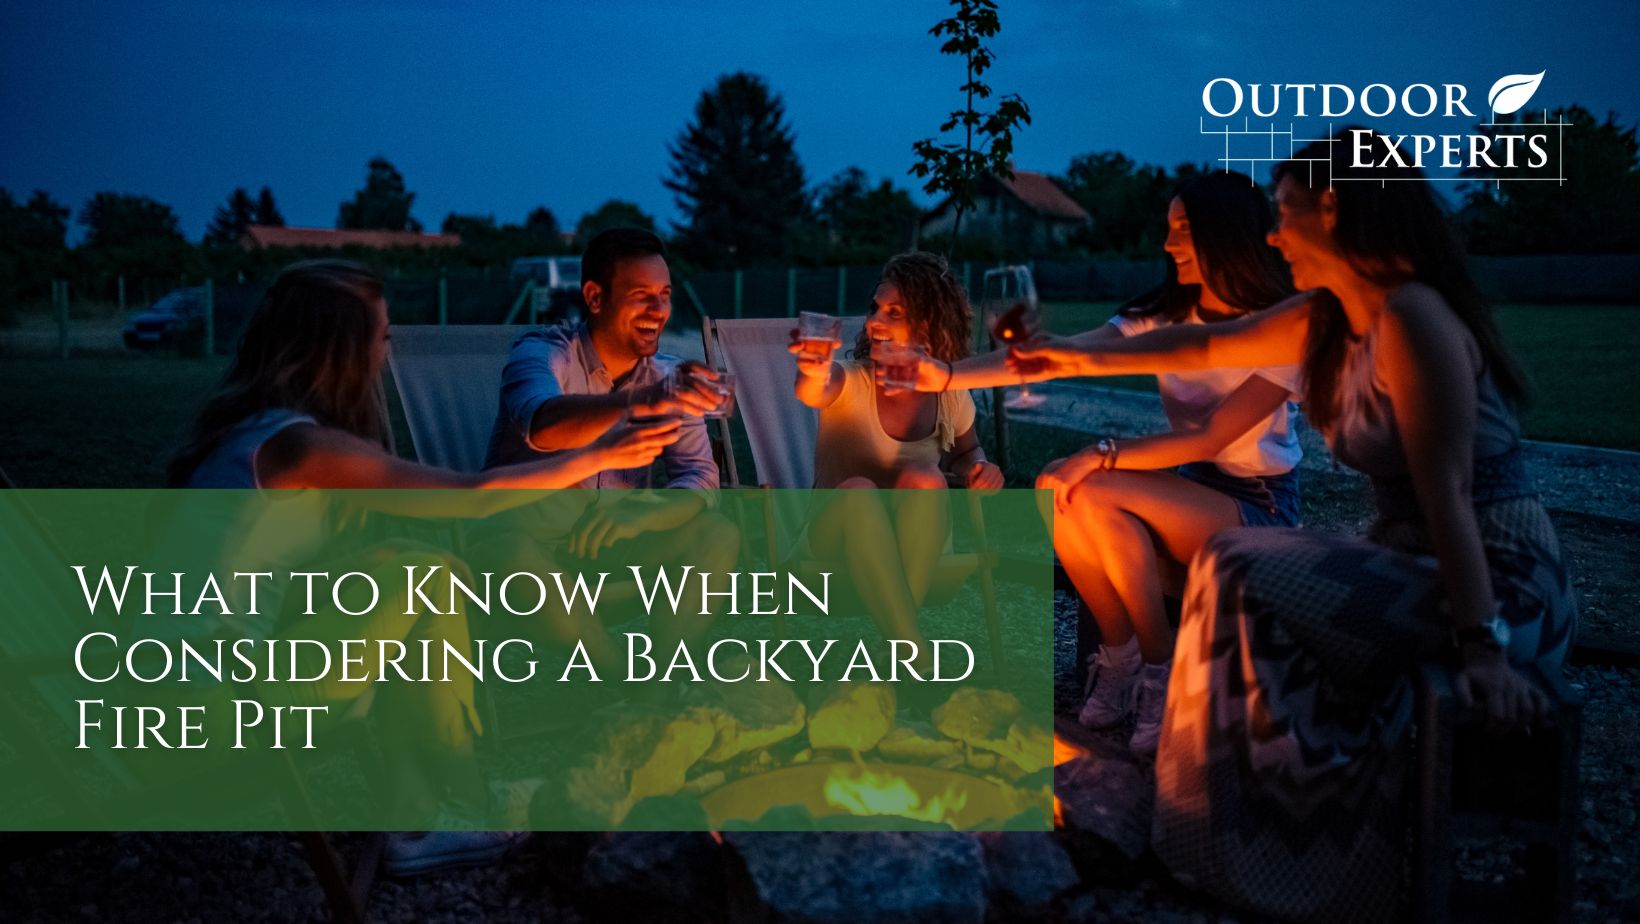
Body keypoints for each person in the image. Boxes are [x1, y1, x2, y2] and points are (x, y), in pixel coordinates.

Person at [1009, 131, 1578, 921]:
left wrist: (1485, 650)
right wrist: (1065, 355)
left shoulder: (1413, 315)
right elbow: (1206, 342)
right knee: (1235, 567)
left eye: (1284, 211)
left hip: (1496, 574)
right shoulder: (1325, 317)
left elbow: (1448, 493)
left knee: (1239, 564)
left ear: (1334, 207)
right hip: (1408, 557)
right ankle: (1247, 828)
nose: (1273, 235)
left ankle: (1298, 848)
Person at [168, 259, 680, 877]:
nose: (387, 352)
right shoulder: (296, 446)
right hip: (210, 707)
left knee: (407, 566)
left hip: (198, 682)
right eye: (383, 336)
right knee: (423, 575)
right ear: (342, 348)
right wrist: (597, 455)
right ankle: (465, 799)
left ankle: (420, 815)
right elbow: (471, 494)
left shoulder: (252, 433)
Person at [1031, 172, 1301, 753]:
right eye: (1169, 228)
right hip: (1191, 494)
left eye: (1183, 229)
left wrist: (1099, 454)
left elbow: (1210, 437)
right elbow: (1085, 350)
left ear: (1223, 236)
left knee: (1090, 485)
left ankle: (1156, 669)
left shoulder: (1284, 324)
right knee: (1067, 494)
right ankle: (1124, 660)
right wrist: (1006, 357)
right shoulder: (1163, 313)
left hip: (1260, 505)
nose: (1169, 243)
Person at [482, 227, 739, 672]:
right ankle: (626, 680)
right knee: (505, 551)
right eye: (642, 294)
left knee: (719, 534)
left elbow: (698, 474)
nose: (659, 310)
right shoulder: (542, 352)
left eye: (665, 294)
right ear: (595, 297)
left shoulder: (667, 375)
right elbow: (541, 424)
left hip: (612, 555)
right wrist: (641, 402)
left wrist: (647, 512)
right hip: (529, 556)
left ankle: (656, 675)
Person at [790, 251, 1003, 669]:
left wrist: (979, 466)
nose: (873, 321)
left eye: (894, 312)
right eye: (875, 308)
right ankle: (912, 650)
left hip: (917, 544)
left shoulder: (949, 392)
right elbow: (813, 390)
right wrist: (812, 368)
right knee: (858, 493)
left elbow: (965, 451)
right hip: (830, 547)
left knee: (926, 478)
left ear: (928, 325)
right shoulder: (851, 380)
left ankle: (899, 648)